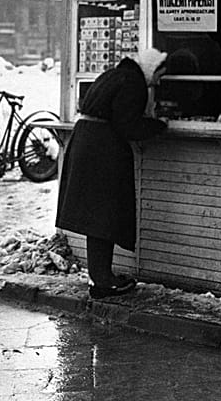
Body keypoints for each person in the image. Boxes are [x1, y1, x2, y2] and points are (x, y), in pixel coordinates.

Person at [56, 48, 168, 298]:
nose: (158, 81)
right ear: (150, 69)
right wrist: (158, 126)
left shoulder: (114, 75)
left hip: (86, 141)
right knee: (102, 216)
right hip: (102, 149)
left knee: (95, 217)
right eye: (159, 74)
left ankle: (100, 277)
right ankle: (102, 280)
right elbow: (127, 125)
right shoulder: (133, 83)